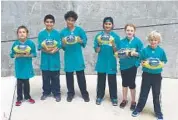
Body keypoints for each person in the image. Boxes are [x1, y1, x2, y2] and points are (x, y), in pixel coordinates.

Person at [132, 31, 167, 120]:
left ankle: (158, 112)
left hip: (157, 76)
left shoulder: (161, 51)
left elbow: (164, 61)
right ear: (149, 40)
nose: (153, 42)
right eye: (151, 40)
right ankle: (138, 109)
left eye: (155, 40)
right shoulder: (145, 50)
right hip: (147, 75)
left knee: (156, 94)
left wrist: (162, 64)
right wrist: (143, 63)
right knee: (144, 93)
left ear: (158, 41)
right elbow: (141, 60)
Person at [60, 11, 90, 102]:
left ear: (75, 21)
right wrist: (64, 43)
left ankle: (84, 93)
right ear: (66, 20)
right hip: (68, 56)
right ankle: (70, 93)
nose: (70, 22)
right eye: (69, 20)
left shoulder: (79, 30)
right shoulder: (63, 32)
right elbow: (62, 46)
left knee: (81, 76)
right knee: (69, 76)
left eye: (72, 20)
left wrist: (80, 40)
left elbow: (84, 41)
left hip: (78, 57)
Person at [93, 17, 120, 106]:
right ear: (103, 25)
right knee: (101, 80)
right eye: (106, 24)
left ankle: (114, 97)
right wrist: (99, 44)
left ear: (112, 25)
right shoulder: (98, 36)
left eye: (109, 24)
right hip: (101, 62)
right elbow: (96, 51)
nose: (107, 25)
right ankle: (99, 96)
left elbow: (117, 51)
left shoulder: (116, 37)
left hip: (111, 62)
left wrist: (113, 45)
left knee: (112, 80)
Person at [117, 24, 143, 111]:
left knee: (132, 84)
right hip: (123, 66)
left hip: (132, 66)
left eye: (131, 30)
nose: (129, 32)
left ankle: (133, 101)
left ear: (134, 32)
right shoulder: (121, 41)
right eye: (128, 30)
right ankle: (124, 100)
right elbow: (118, 53)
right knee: (124, 83)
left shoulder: (138, 42)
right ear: (125, 31)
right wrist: (122, 54)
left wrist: (136, 61)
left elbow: (142, 54)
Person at [10, 25, 37, 106]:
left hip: (27, 66)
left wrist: (28, 55)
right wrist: (16, 55)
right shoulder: (15, 44)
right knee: (19, 83)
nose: (22, 34)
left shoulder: (30, 43)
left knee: (26, 82)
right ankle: (19, 98)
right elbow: (12, 54)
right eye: (20, 32)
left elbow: (34, 54)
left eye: (23, 32)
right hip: (19, 67)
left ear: (27, 34)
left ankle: (27, 96)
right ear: (17, 34)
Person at [38, 14, 61, 102]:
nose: (49, 24)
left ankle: (56, 93)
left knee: (55, 78)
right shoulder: (41, 34)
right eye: (47, 22)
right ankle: (46, 92)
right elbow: (40, 46)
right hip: (45, 61)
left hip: (54, 61)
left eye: (51, 22)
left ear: (54, 23)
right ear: (44, 23)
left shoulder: (57, 33)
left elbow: (59, 45)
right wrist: (47, 51)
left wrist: (54, 50)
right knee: (45, 78)